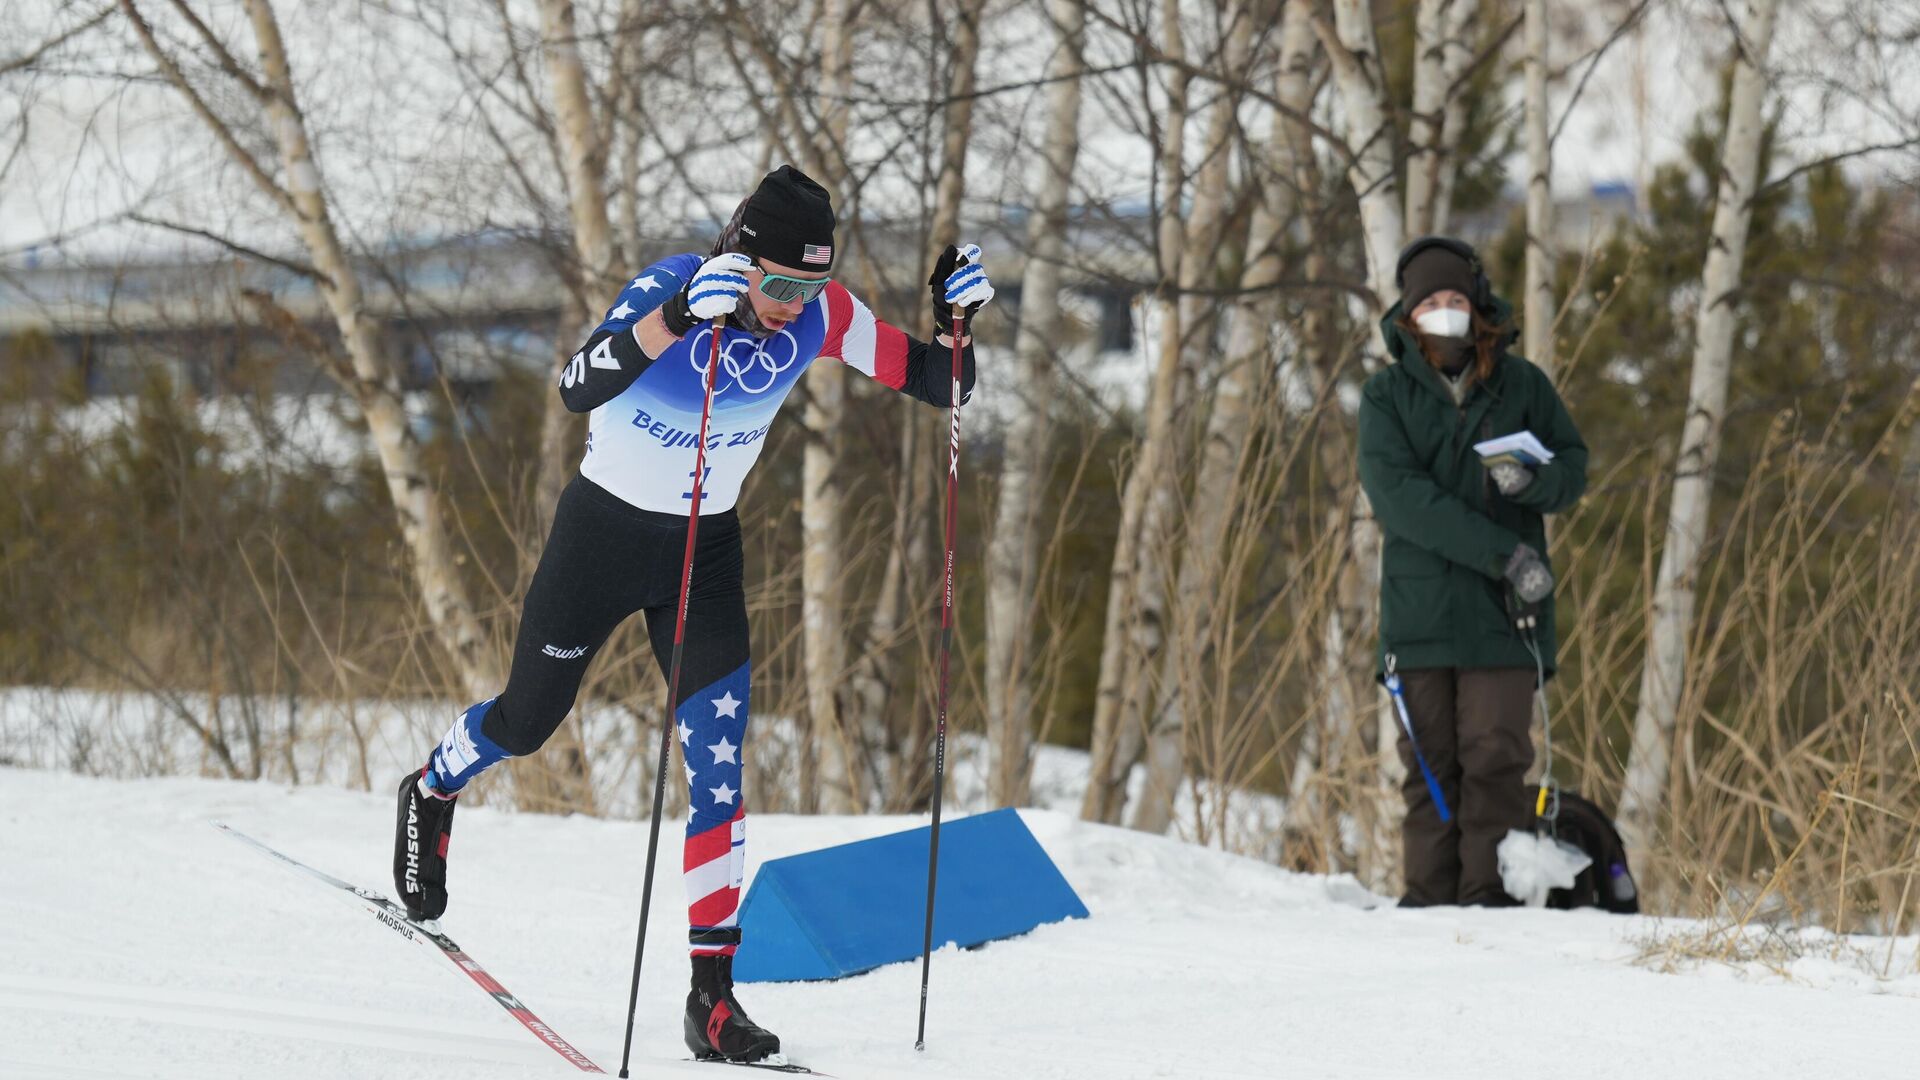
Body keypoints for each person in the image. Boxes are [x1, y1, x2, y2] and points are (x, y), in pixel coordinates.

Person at [390, 164, 993, 1062]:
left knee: (719, 770)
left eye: (811, 286)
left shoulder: (821, 317)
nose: (795, 305)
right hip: (600, 539)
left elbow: (942, 385)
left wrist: (959, 325)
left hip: (701, 554)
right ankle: (434, 788)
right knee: (527, 722)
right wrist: (672, 321)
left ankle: (712, 998)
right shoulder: (675, 286)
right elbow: (575, 385)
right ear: (740, 260)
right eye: (781, 283)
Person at [1356, 236, 1588, 907]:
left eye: (1457, 298)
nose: (1446, 311)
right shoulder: (1385, 398)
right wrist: (1505, 553)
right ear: (1409, 313)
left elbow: (1572, 471)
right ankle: (1427, 905)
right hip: (1421, 617)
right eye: (1431, 301)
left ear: (1477, 303)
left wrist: (1534, 482)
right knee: (1431, 774)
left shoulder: (1523, 386)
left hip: (1505, 615)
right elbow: (1403, 502)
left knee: (1495, 762)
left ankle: (1491, 905)